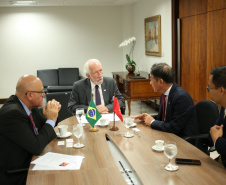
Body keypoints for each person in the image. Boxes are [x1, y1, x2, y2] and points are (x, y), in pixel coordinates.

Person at [0, 75, 61, 185]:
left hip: (35, 161)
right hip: (19, 173)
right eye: (41, 91)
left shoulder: (29, 107)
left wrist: (53, 115)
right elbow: (36, 147)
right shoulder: (12, 113)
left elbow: (47, 128)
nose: (44, 94)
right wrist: (51, 119)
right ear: (30, 95)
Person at [133, 63, 199, 139]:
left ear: (160, 81)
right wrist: (147, 117)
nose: (150, 82)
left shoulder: (181, 97)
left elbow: (175, 127)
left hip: (184, 140)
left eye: (151, 79)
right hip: (170, 135)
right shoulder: (164, 94)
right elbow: (164, 118)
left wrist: (152, 122)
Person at [208, 66, 226, 167]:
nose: (209, 91)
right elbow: (211, 136)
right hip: (220, 160)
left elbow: (215, 138)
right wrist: (214, 136)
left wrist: (217, 140)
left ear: (222, 91)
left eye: (209, 88)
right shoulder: (224, 107)